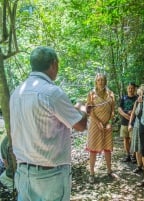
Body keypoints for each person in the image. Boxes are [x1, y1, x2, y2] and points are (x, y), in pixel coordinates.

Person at [10, 46, 87, 201]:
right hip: (50, 176)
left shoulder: (17, 92)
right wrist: (82, 108)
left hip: (23, 173)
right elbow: (80, 125)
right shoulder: (52, 92)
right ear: (53, 64)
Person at [86, 73, 115, 183]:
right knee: (93, 149)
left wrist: (109, 122)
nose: (101, 82)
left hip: (107, 125)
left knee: (107, 148)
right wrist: (98, 122)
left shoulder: (111, 94)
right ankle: (92, 173)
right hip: (94, 124)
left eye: (102, 80)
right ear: (96, 82)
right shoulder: (91, 94)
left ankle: (109, 171)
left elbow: (112, 110)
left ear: (105, 81)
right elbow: (89, 110)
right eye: (98, 80)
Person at [118, 82, 138, 163]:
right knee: (125, 138)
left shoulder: (137, 98)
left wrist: (132, 116)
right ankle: (128, 155)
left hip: (134, 123)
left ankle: (134, 156)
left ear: (134, 89)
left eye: (132, 88)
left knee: (133, 139)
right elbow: (119, 108)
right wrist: (125, 115)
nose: (130, 89)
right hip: (124, 122)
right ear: (127, 89)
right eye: (129, 88)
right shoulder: (123, 98)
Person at [128, 84, 144, 173]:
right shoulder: (137, 101)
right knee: (138, 147)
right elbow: (133, 113)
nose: (141, 91)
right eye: (140, 89)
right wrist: (130, 124)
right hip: (137, 125)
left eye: (143, 90)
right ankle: (139, 166)